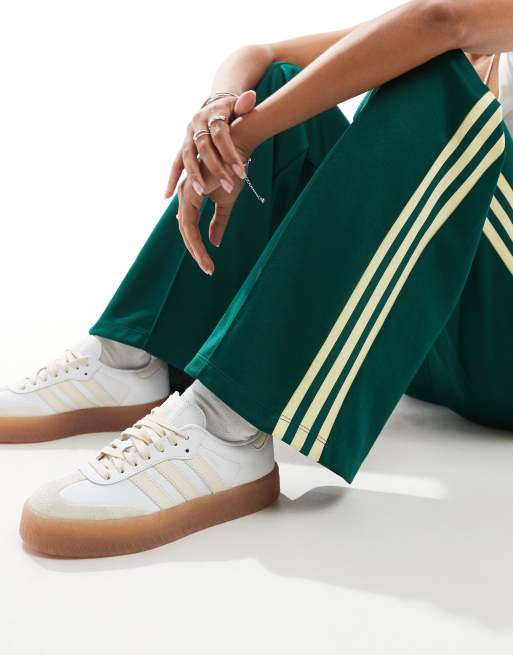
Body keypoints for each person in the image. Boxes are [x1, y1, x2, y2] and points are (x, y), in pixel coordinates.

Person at [4, 0, 513, 558]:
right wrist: (218, 115)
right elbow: (262, 55)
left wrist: (244, 138)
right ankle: (135, 357)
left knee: (431, 78)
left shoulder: (458, 22)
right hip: (441, 342)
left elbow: (439, 23)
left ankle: (226, 427)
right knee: (281, 84)